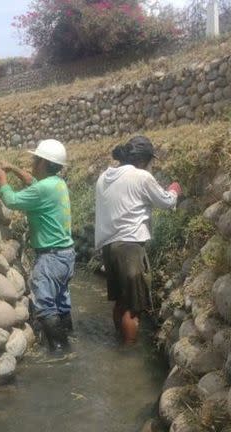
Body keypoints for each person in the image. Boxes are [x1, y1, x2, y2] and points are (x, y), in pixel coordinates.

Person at [94, 135, 181, 344]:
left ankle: (119, 342)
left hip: (108, 247)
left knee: (120, 302)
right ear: (143, 160)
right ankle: (129, 354)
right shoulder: (141, 176)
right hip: (130, 247)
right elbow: (166, 202)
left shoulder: (104, 177)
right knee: (133, 308)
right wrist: (175, 189)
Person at [0, 139, 76, 351]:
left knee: (46, 306)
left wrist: (2, 180)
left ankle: (60, 350)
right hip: (66, 256)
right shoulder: (57, 183)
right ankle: (69, 339)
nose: (32, 162)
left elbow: (11, 199)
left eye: (35, 159)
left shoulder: (42, 190)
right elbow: (33, 182)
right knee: (61, 303)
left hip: (50, 258)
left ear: (42, 162)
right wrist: (13, 169)